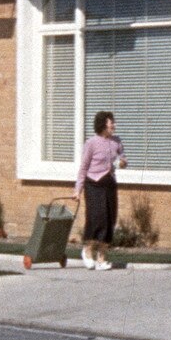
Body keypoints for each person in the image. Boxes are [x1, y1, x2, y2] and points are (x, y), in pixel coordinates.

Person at [74, 110, 126, 270]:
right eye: (111, 123)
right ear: (103, 125)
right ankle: (88, 251)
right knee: (97, 218)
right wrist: (78, 190)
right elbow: (83, 168)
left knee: (110, 219)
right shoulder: (91, 143)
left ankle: (102, 258)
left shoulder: (116, 141)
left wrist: (123, 162)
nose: (114, 125)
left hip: (109, 183)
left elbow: (123, 158)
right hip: (93, 184)